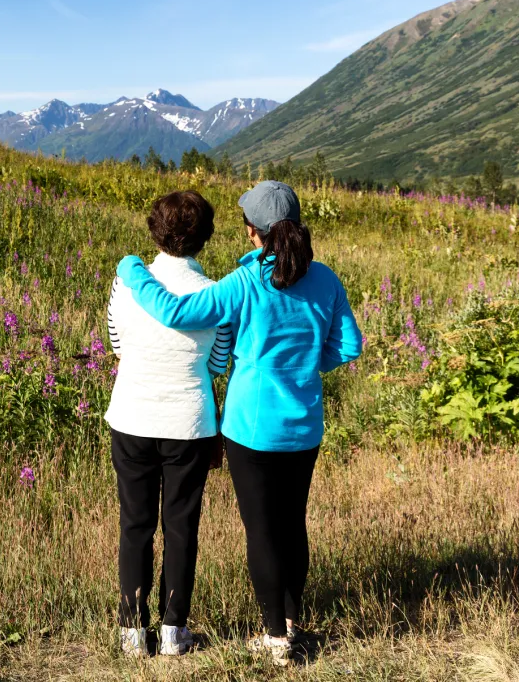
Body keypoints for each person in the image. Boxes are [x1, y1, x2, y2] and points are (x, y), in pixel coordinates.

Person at [115, 180, 362, 666]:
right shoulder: (326, 279)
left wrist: (132, 270)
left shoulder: (246, 282)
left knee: (262, 531)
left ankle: (275, 639)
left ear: (253, 230)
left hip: (250, 426)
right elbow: (349, 346)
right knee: (293, 525)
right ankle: (290, 623)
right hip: (305, 423)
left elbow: (177, 311)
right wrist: (307, 366)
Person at [104, 190, 232, 658]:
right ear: (205, 238)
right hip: (190, 421)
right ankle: (175, 630)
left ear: (154, 232)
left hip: (132, 414)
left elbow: (116, 341)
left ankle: (133, 633)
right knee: (181, 526)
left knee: (134, 524)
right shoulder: (216, 293)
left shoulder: (128, 283)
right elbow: (218, 362)